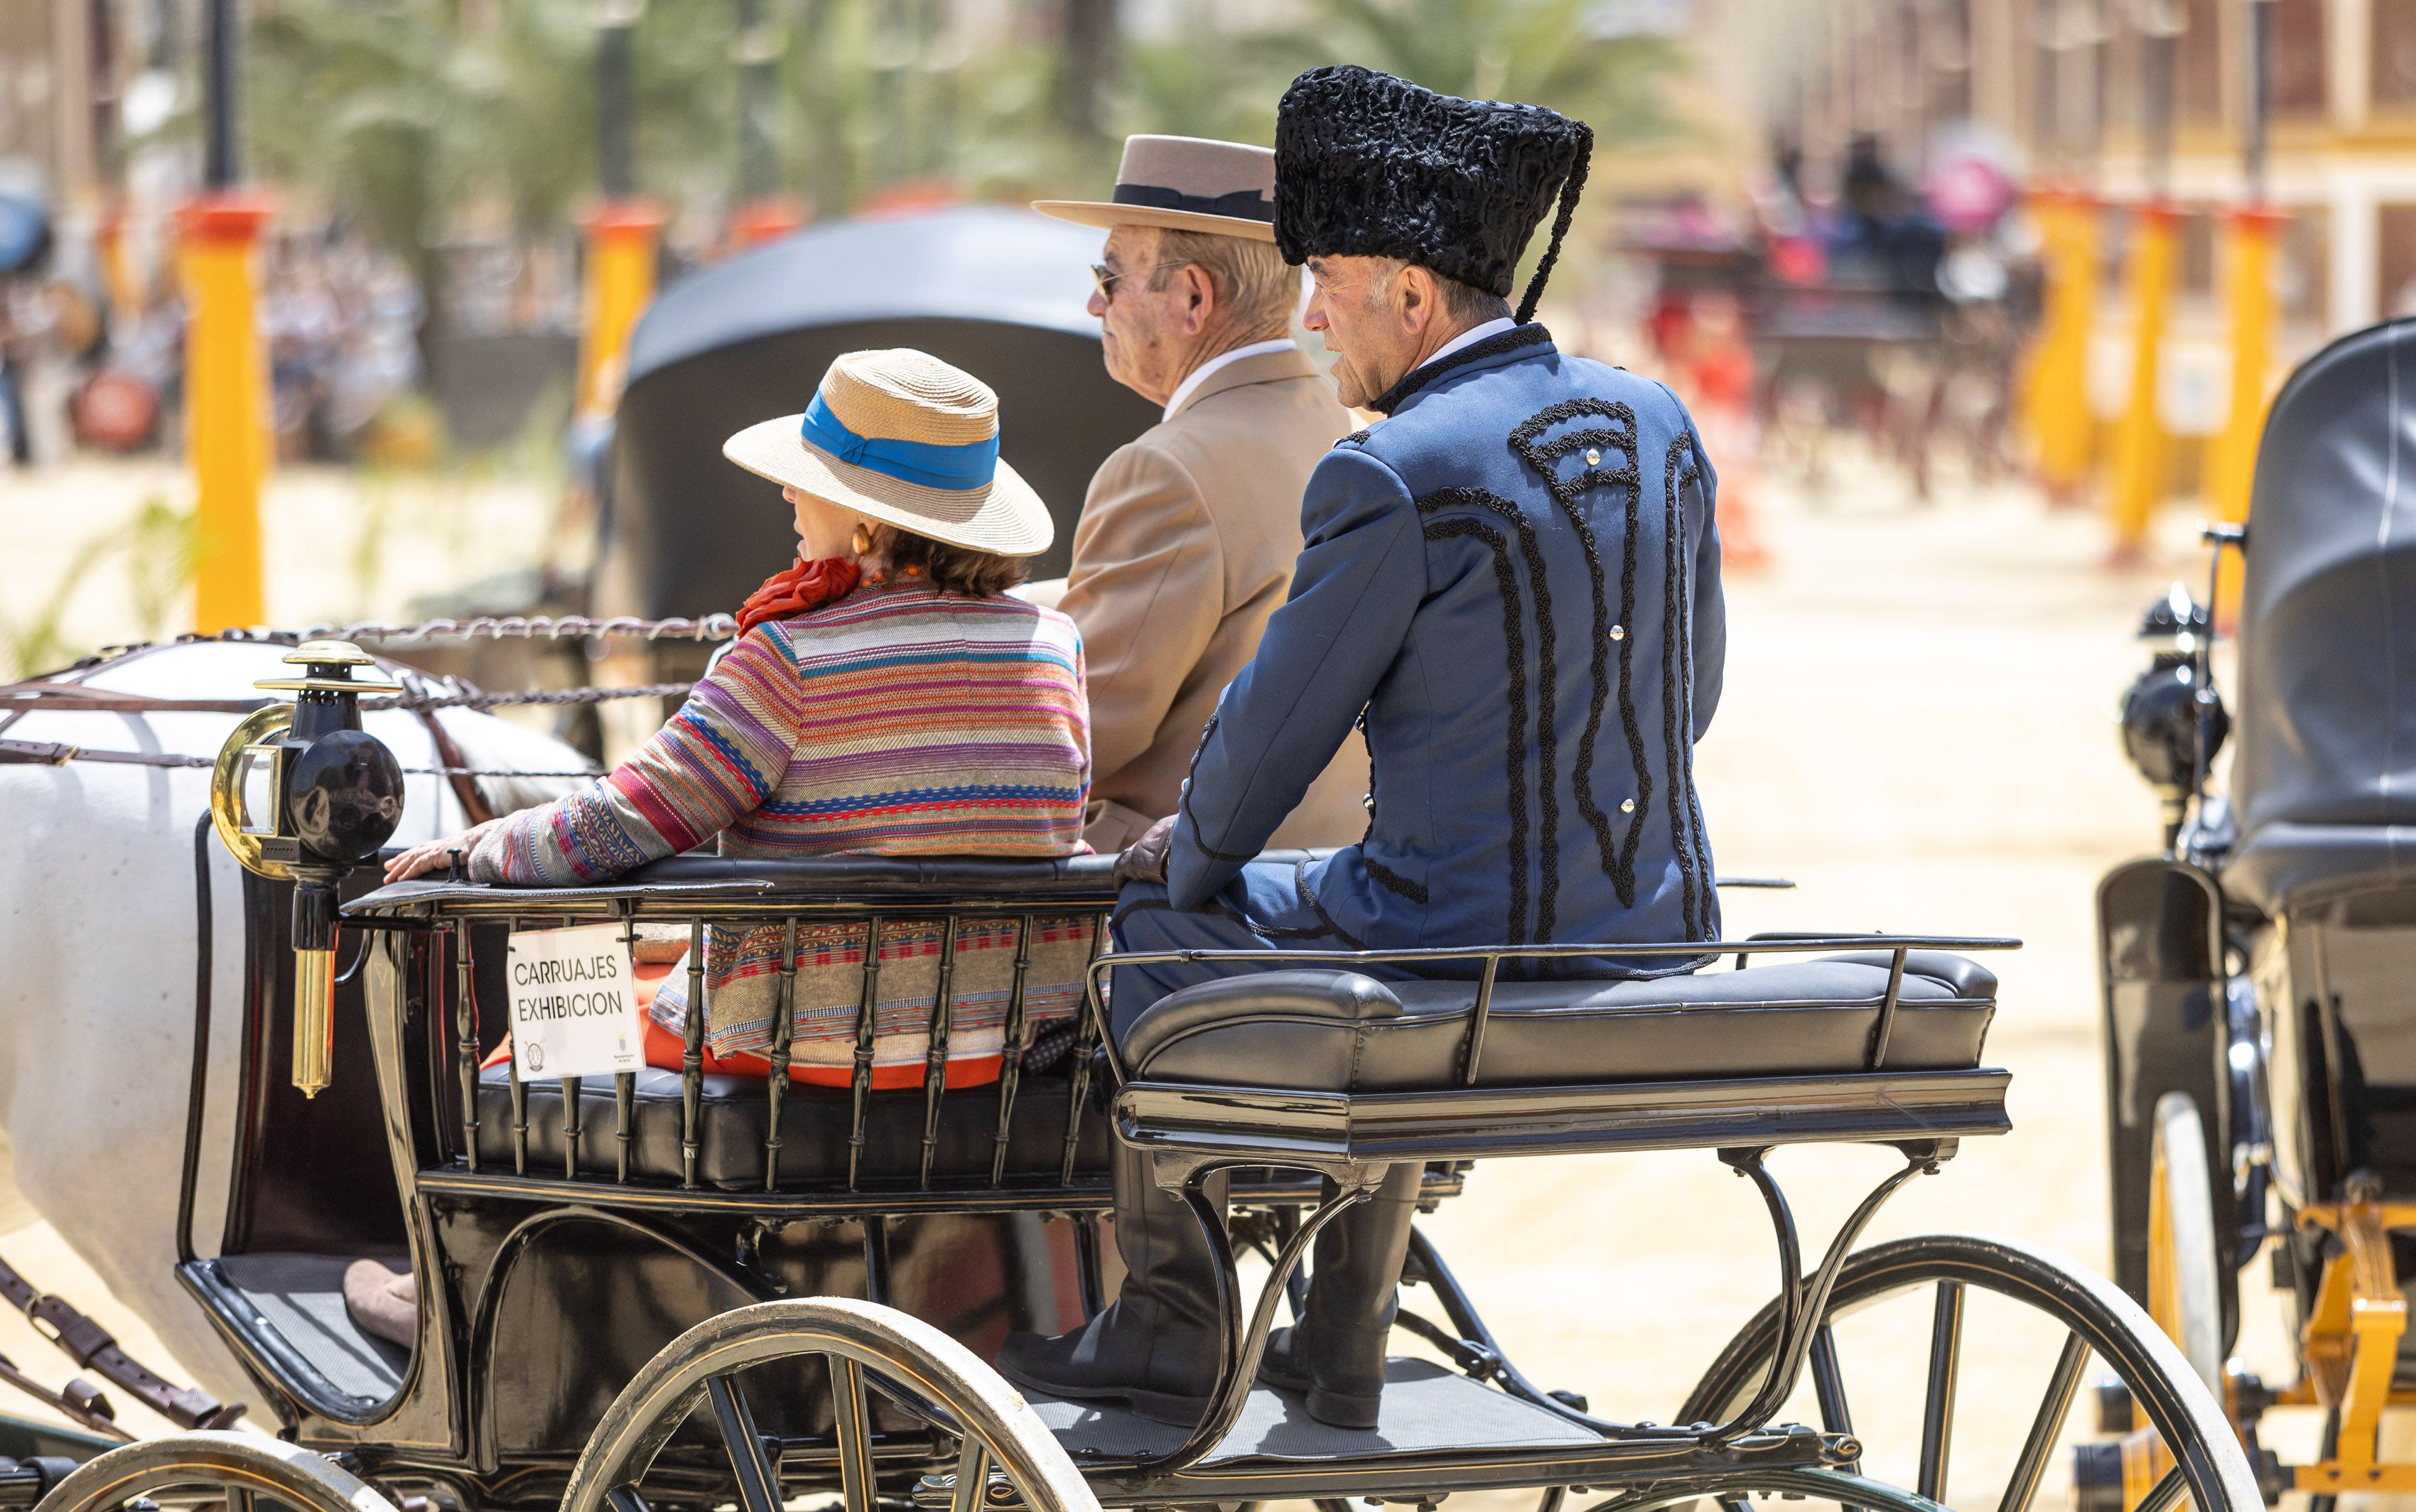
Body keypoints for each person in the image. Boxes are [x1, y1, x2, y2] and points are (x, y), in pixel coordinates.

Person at [996, 65, 1727, 1431]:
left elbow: (1264, 746)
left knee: (1166, 908)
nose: (1311, 307)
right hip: (1658, 918)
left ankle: (1170, 1320)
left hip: (1457, 936)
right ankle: (1344, 1333)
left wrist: (1182, 851)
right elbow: (1694, 697)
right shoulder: (1662, 421)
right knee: (1349, 906)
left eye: (1328, 278)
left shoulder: (1393, 465)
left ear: (1411, 290)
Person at [352, 347, 1091, 1347]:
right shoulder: (1054, 647)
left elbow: (630, 818)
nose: (791, 490)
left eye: (815, 479)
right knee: (643, 966)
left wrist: (479, 851)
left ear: (868, 521)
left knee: (547, 1028)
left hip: (821, 1052)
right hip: (1001, 1051)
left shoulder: (790, 657)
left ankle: (480, 1315)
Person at [1030, 134, 1368, 851]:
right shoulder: (1334, 421)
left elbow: (1071, 739)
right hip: (1315, 883)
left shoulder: (1166, 469)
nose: (1095, 303)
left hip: (1174, 914)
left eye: (1110, 275)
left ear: (1192, 296)